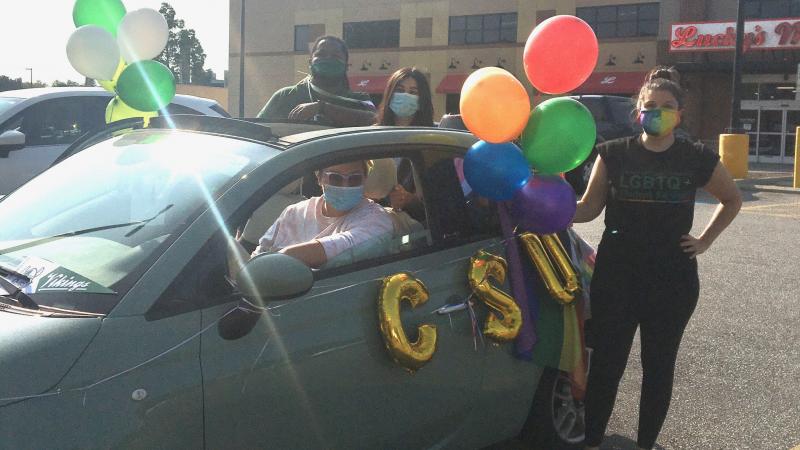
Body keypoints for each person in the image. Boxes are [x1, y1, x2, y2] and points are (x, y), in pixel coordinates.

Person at [573, 66, 742, 450]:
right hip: (617, 278)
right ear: (638, 111)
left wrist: (705, 240)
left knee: (658, 369)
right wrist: (548, 207)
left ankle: (645, 445)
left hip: (672, 281)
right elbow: (587, 208)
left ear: (679, 114)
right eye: (651, 105)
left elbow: (731, 199)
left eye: (667, 106)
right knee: (607, 368)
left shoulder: (695, 157)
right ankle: (592, 442)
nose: (658, 112)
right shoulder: (613, 154)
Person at [252, 160, 393, 269]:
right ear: (319, 178)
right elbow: (259, 253)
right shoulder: (294, 212)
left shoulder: (377, 220)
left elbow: (343, 245)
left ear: (365, 179)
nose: (345, 186)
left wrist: (276, 262)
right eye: (335, 178)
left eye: (354, 179)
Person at [257, 35, 377, 126]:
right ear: (310, 63)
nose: (328, 59)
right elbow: (256, 131)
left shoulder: (359, 100)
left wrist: (322, 108)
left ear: (346, 66)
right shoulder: (285, 96)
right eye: (321, 54)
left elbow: (375, 122)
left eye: (335, 56)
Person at [374, 67, 434, 217]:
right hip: (370, 217)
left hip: (412, 230)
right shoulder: (373, 136)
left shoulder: (431, 140)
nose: (405, 96)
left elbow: (438, 202)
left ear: (421, 100)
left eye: (413, 92)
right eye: (399, 90)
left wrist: (409, 200)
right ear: (390, 95)